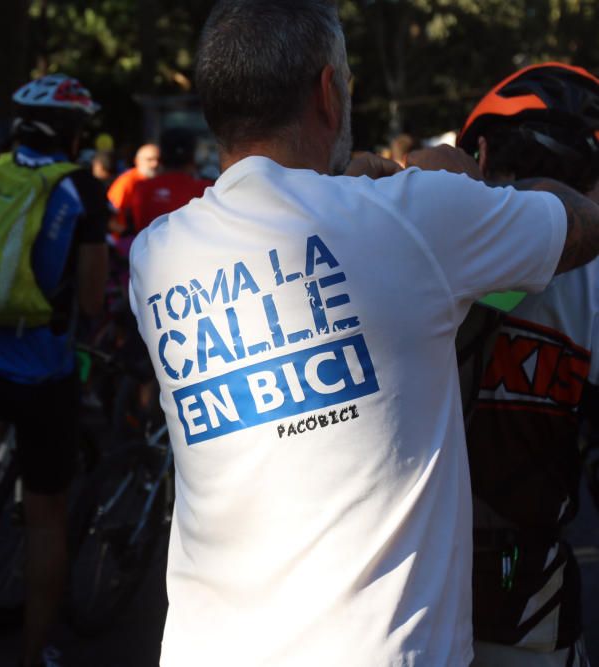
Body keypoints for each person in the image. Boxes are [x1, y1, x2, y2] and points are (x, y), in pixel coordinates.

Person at [127, 2, 599, 665]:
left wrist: (391, 181)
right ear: (328, 91)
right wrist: (464, 186)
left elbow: (310, 219)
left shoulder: (155, 257)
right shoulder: (421, 222)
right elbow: (580, 223)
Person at [0, 73, 108, 667]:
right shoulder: (81, 191)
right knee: (46, 518)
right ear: (72, 136)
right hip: (41, 371)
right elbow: (91, 300)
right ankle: (33, 652)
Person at [455, 63, 599, 666]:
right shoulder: (592, 286)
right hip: (527, 608)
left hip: (386, 612)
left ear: (482, 150)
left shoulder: (415, 251)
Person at [129, 127, 213, 233]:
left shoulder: (142, 188)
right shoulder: (206, 189)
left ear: (161, 156)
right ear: (193, 156)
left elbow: (139, 228)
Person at [106, 142, 159, 236]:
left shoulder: (159, 181)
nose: (155, 164)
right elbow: (109, 216)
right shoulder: (127, 182)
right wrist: (127, 234)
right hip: (127, 241)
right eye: (149, 160)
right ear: (137, 161)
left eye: (158, 160)